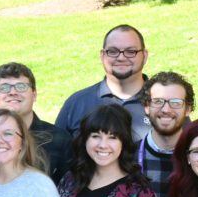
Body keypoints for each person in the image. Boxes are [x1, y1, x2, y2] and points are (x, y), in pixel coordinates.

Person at [48, 24, 152, 168]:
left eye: (131, 51)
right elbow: (57, 160)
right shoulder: (77, 103)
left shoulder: (163, 105)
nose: (121, 57)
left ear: (144, 56)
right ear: (102, 55)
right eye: (113, 51)